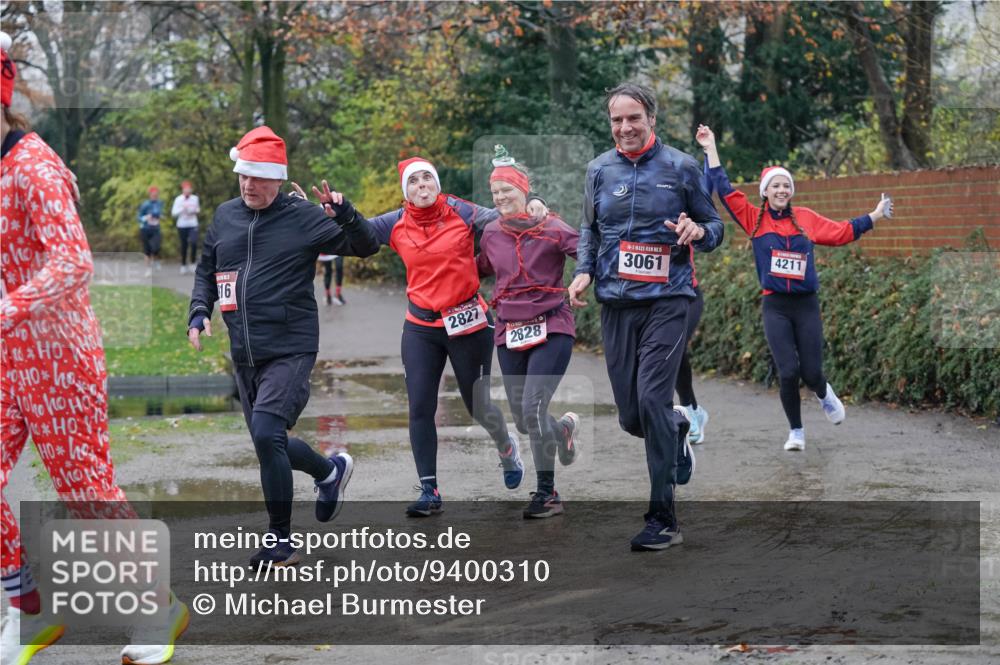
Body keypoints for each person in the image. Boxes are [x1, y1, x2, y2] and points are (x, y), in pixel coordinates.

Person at [0, 31, 188, 665]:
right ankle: (26, 611)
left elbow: (74, 262)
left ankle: (158, 610)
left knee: (86, 492)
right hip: (6, 359)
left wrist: (8, 307)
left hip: (58, 355)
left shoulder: (32, 164)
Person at [187, 126, 379, 565]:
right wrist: (199, 311)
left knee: (268, 434)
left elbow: (367, 246)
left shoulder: (304, 217)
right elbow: (206, 270)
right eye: (243, 175)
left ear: (277, 178)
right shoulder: (225, 216)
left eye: (258, 177)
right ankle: (330, 472)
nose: (248, 185)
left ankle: (280, 538)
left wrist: (345, 212)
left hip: (291, 346)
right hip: (244, 351)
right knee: (266, 441)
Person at [567, 82, 724, 551]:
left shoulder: (681, 167)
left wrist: (699, 230)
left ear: (651, 119)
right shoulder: (598, 169)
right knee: (633, 416)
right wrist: (582, 272)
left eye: (633, 118)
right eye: (617, 119)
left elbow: (715, 226)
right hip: (616, 302)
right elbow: (589, 229)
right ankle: (677, 429)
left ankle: (663, 518)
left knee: (652, 400)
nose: (625, 127)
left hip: (668, 300)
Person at [696, 124, 891, 452]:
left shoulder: (805, 217)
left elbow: (841, 232)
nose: (782, 190)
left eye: (787, 185)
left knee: (812, 371)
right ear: (765, 192)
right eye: (776, 186)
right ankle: (796, 432)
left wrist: (874, 216)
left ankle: (824, 393)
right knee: (788, 371)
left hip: (805, 305)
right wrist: (711, 147)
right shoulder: (753, 219)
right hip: (775, 306)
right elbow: (723, 188)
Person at [356, 157, 523, 517]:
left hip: (468, 322)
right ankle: (429, 490)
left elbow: (506, 220)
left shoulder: (462, 212)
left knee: (476, 404)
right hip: (421, 327)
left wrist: (529, 205)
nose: (421, 186)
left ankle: (506, 446)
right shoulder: (395, 222)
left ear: (436, 183)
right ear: (406, 192)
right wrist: (337, 213)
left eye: (426, 179)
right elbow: (359, 233)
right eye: (413, 182)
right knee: (420, 407)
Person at [477, 150, 581, 519]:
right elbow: (479, 268)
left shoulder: (551, 227)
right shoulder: (490, 232)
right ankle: (563, 430)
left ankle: (547, 493)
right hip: (509, 331)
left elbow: (584, 248)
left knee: (533, 408)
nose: (501, 198)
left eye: (507, 190)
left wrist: (583, 277)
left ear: (523, 191)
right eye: (495, 193)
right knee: (523, 418)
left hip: (552, 325)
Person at [171, 180, 200, 274]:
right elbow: (174, 213)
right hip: (182, 225)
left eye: (189, 189)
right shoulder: (178, 199)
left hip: (193, 223)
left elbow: (198, 209)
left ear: (191, 190)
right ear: (183, 190)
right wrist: (182, 209)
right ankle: (183, 264)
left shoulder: (195, 198)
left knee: (194, 242)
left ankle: (192, 263)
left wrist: (195, 210)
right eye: (185, 189)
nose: (187, 191)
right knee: (184, 245)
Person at [138, 186, 163, 277]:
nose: (155, 196)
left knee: (156, 247)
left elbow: (160, 213)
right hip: (145, 229)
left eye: (156, 195)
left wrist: (161, 216)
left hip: (156, 228)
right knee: (147, 250)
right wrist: (146, 218)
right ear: (150, 195)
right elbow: (139, 217)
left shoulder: (159, 203)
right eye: (153, 195)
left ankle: (156, 261)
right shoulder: (145, 204)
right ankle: (148, 269)